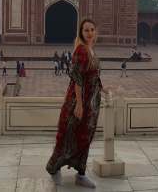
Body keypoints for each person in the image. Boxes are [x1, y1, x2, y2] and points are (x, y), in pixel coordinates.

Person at [46, 19, 103, 188]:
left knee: (85, 137)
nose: (90, 33)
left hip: (91, 102)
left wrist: (103, 88)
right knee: (67, 134)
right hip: (78, 102)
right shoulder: (81, 51)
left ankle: (81, 174)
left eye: (92, 29)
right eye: (86, 30)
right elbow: (77, 78)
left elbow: (93, 75)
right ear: (81, 32)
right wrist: (79, 104)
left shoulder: (91, 50)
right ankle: (54, 168)